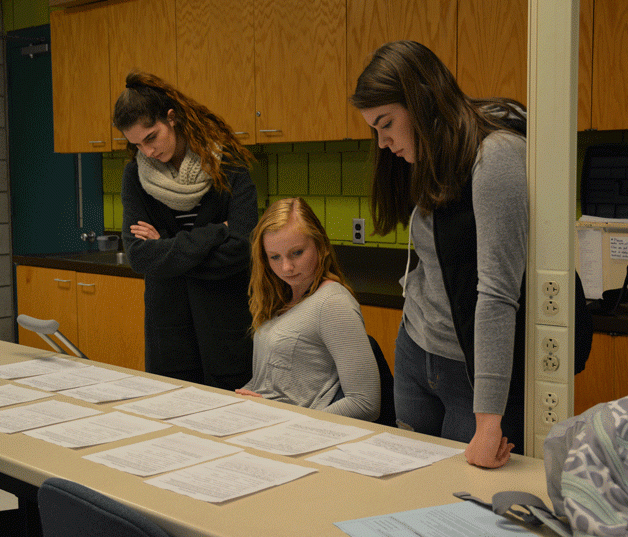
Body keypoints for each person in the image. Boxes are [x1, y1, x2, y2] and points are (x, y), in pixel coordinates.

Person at [350, 41, 528, 468]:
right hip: (416, 352)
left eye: (387, 123)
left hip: (469, 372)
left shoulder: (496, 155)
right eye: (374, 129)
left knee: (465, 497)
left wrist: (488, 424)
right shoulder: (431, 159)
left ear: (422, 100)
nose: (382, 142)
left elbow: (498, 294)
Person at [114, 71, 257, 390]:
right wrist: (215, 233)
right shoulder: (135, 176)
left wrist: (166, 248)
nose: (147, 152)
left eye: (151, 137)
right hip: (169, 336)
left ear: (172, 117)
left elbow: (241, 249)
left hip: (227, 328)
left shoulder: (228, 164)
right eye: (136, 143)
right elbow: (140, 257)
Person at [237, 197, 380, 421]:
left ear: (320, 246)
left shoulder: (332, 303)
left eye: (297, 253)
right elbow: (271, 386)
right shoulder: (280, 299)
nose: (286, 267)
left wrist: (290, 420)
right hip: (267, 423)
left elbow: (365, 403)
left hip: (301, 432)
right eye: (275, 257)